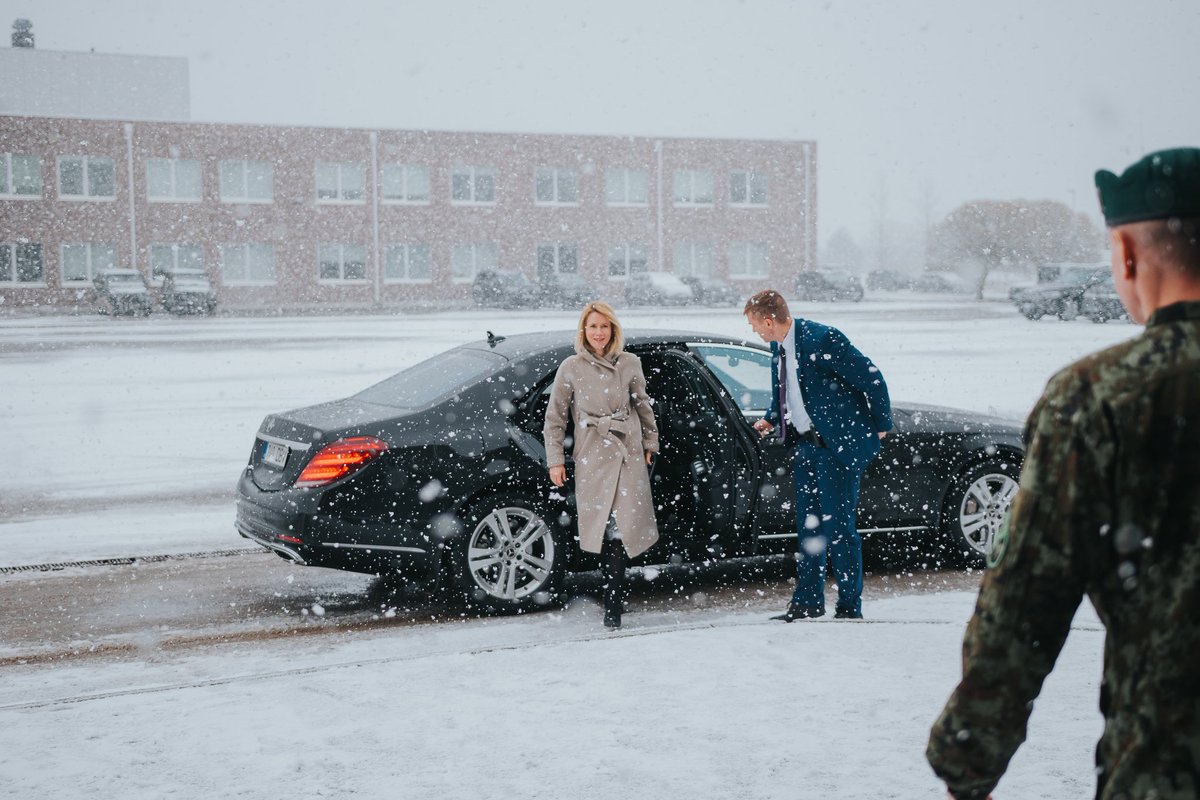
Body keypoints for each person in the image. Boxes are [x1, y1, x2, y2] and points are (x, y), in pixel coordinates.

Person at [926, 148, 1200, 800]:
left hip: (1168, 761)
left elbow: (1026, 600)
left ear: (1129, 257)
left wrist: (969, 752)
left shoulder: (1100, 398)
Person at [743, 290, 892, 621]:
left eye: (755, 325)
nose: (754, 331)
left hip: (835, 449)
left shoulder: (822, 339)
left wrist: (880, 424)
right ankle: (807, 602)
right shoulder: (777, 346)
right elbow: (786, 390)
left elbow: (872, 378)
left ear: (769, 321)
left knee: (839, 530)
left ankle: (849, 606)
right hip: (806, 448)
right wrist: (771, 417)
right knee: (809, 528)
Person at [543, 301, 659, 630]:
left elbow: (643, 405)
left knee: (620, 531)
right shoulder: (571, 367)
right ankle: (611, 595)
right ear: (584, 330)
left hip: (627, 455)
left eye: (604, 327)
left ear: (613, 330)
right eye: (593, 327)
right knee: (604, 529)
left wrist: (651, 441)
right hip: (593, 455)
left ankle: (614, 602)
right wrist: (555, 459)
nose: (598, 333)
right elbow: (554, 420)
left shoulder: (629, 363)